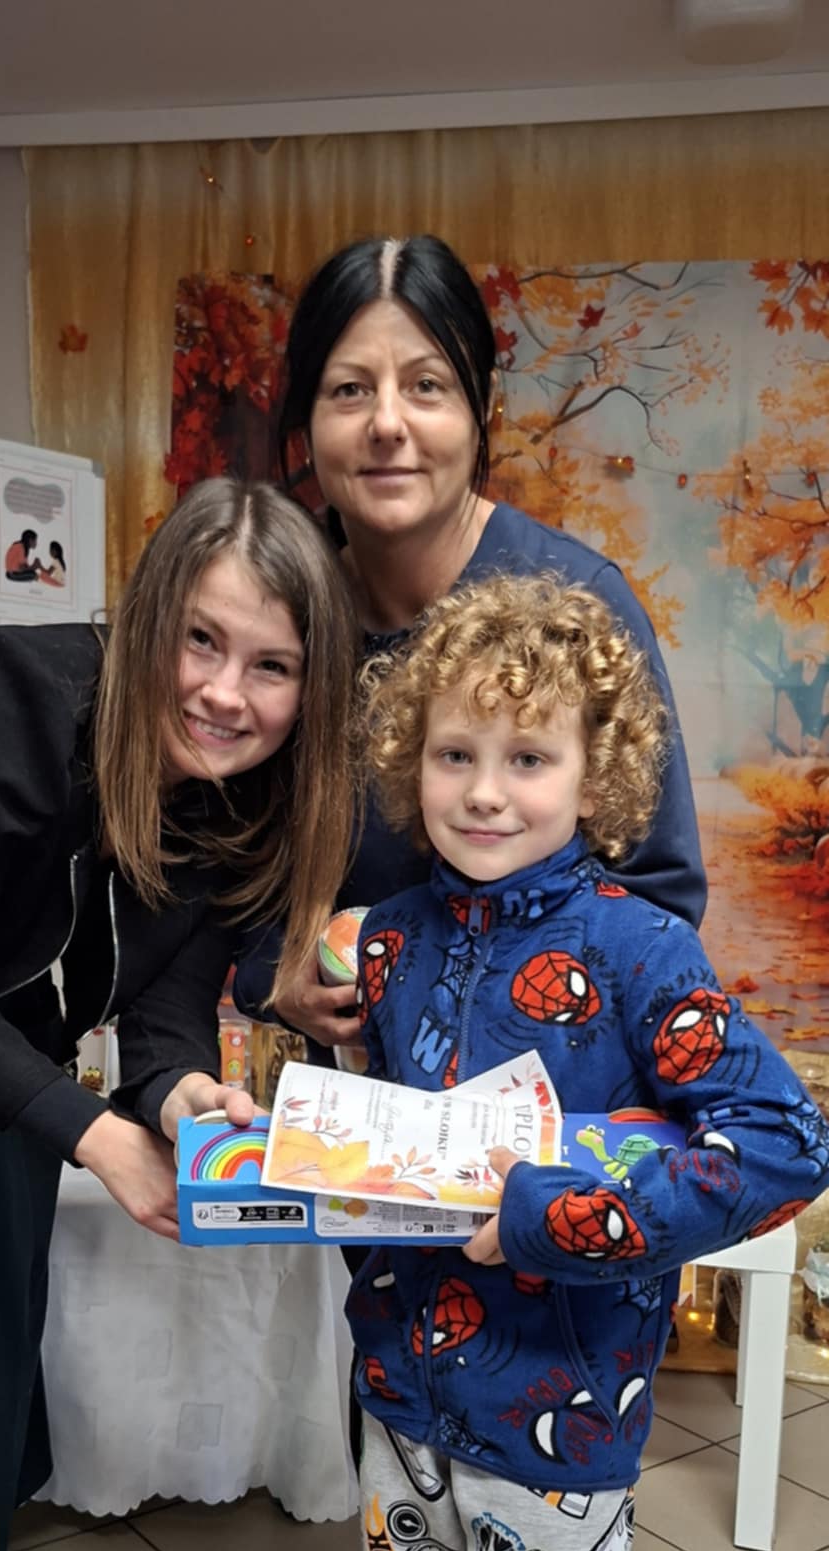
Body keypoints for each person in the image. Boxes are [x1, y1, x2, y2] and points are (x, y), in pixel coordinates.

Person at [309, 571, 829, 1551]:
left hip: (557, 1428)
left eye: (526, 756)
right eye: (454, 753)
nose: (485, 790)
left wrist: (552, 1217)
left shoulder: (639, 948)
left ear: (593, 777)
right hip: (400, 1401)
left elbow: (782, 1143)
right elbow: (394, 1138)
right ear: (411, 761)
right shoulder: (390, 938)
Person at [0, 478, 360, 1551]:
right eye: (201, 640)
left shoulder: (247, 792)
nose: (224, 693)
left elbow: (162, 999)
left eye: (271, 667)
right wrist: (99, 1135)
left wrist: (176, 1094)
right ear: (147, 617)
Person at [234, 232, 707, 1067]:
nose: (387, 424)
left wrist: (502, 1018)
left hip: (550, 1089)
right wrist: (273, 973)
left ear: (481, 407)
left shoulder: (575, 602)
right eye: (350, 389)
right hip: (347, 1106)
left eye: (426, 386)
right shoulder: (276, 617)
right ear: (306, 418)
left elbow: (659, 891)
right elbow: (215, 865)